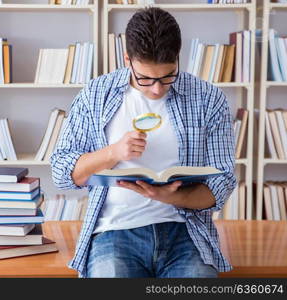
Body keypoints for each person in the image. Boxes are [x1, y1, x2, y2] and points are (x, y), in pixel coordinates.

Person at [50, 7, 236, 278]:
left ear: (177, 58)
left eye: (167, 76)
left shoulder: (208, 98)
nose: (157, 89)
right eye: (146, 78)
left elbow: (222, 184)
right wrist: (113, 152)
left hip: (186, 232)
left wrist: (173, 197)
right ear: (128, 59)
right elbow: (61, 173)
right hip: (114, 232)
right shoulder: (96, 95)